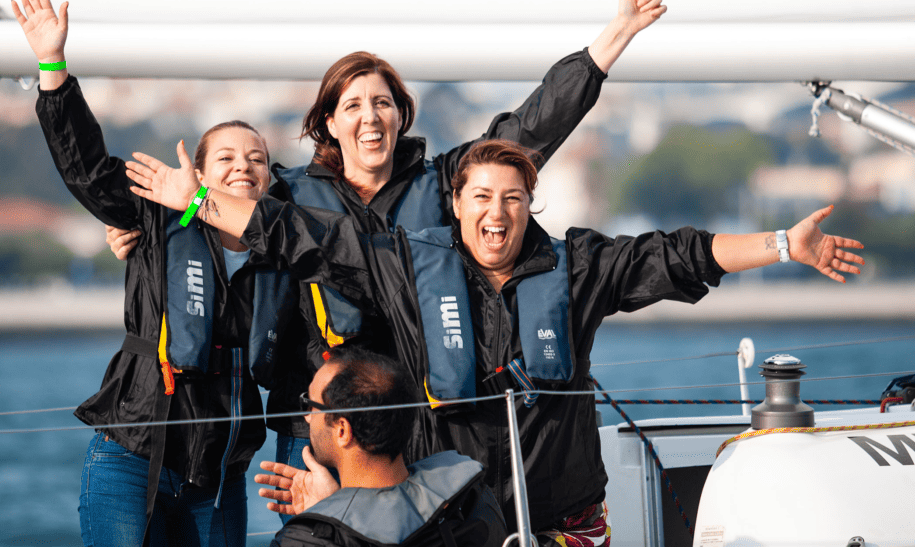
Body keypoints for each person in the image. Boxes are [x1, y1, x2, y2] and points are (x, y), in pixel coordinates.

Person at [124, 138, 865, 546]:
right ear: (456, 204)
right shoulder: (405, 266)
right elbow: (302, 235)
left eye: (512, 197)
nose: (497, 211)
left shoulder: (577, 267)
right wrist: (194, 200)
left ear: (529, 205)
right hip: (456, 524)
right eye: (480, 195)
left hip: (569, 521)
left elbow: (678, 255)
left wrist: (782, 243)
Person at [108, 2, 669, 517]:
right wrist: (143, 233)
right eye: (353, 105)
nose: (370, 117)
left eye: (382, 103)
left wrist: (612, 38)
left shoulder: (447, 184)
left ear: (401, 115)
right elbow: (230, 214)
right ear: (329, 123)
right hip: (325, 417)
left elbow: (529, 129)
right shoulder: (287, 194)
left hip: (420, 412)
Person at [13, 1, 296, 545]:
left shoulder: (284, 249)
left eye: (257, 158)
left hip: (220, 478)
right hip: (130, 457)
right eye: (228, 158)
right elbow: (88, 169)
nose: (244, 166)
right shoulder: (157, 218)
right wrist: (53, 65)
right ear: (198, 174)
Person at [254, 347, 509, 547]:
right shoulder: (471, 499)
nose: (307, 417)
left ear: (343, 431)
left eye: (310, 405)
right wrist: (335, 508)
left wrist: (324, 524)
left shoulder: (305, 540)